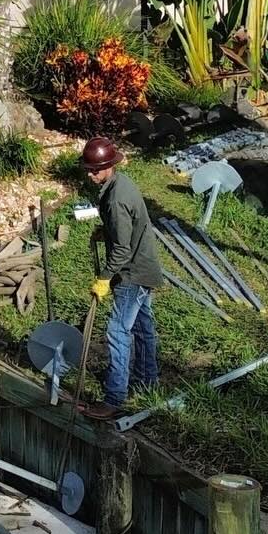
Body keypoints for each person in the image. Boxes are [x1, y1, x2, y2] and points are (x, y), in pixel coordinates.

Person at [82, 135, 164, 414]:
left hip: (131, 273)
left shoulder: (116, 199)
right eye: (89, 170)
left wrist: (104, 278)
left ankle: (114, 398)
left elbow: (121, 250)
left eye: (96, 170)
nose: (92, 175)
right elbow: (126, 229)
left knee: (117, 331)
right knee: (143, 328)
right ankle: (147, 381)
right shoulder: (121, 182)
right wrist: (106, 231)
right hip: (146, 266)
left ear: (109, 166)